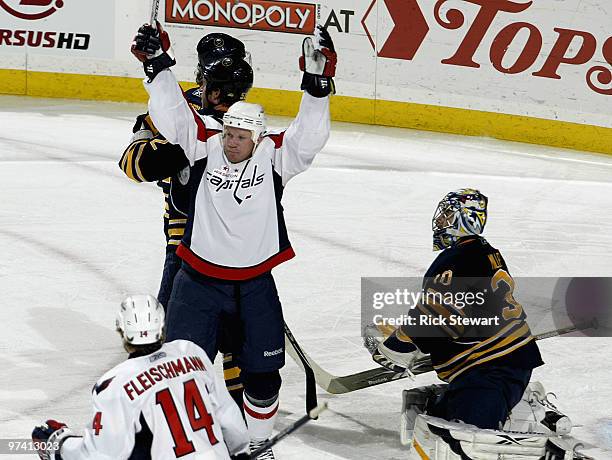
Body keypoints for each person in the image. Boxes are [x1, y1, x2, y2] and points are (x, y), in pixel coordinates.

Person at [130, 22, 336, 458]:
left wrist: (317, 87)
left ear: (258, 135)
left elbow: (310, 136)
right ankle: (178, 441)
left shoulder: (276, 154)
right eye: (230, 134)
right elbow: (171, 114)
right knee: (180, 369)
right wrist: (156, 65)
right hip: (197, 280)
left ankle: (256, 443)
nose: (234, 143)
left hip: (254, 284)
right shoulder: (204, 142)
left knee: (261, 376)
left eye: (242, 136)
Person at [121, 32, 253, 412]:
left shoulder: (246, 117)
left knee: (237, 336)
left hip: (232, 240)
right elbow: (131, 162)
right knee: (172, 338)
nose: (225, 92)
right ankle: (165, 410)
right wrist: (174, 152)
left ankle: (240, 413)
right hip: (185, 238)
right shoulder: (173, 107)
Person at [366, 188, 545, 454]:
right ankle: (517, 406)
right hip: (505, 364)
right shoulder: (487, 252)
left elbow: (438, 316)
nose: (441, 221)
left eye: (448, 214)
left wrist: (399, 344)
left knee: (462, 444)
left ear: (467, 219)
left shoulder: (455, 259)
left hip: (489, 372)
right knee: (437, 417)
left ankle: (524, 415)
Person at [31, 295, 250, 460]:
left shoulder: (115, 384)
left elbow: (102, 455)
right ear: (162, 326)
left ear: (121, 330)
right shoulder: (192, 353)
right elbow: (230, 421)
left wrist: (59, 443)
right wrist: (240, 454)